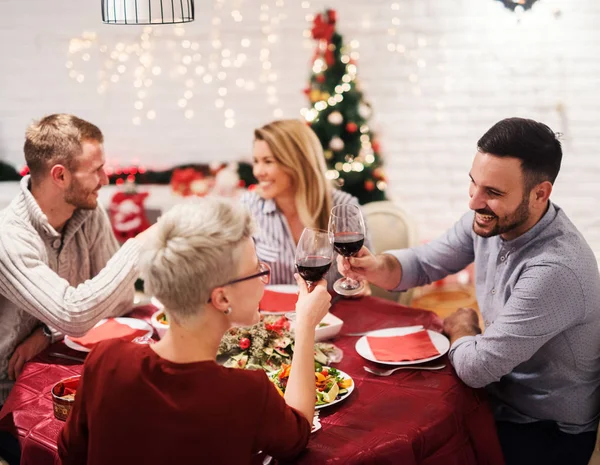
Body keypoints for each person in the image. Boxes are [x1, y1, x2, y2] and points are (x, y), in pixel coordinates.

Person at [337, 117, 600, 465]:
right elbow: (425, 262)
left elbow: (476, 368)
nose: (475, 201)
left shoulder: (555, 269)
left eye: (493, 193)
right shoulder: (490, 220)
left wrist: (462, 328)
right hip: (497, 399)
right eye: (473, 184)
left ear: (541, 193)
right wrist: (376, 266)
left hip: (545, 430)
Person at [58, 198, 331, 465]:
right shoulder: (246, 393)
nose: (263, 278)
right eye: (257, 270)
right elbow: (297, 436)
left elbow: (70, 453)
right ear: (222, 299)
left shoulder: (106, 359)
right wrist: (306, 324)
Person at [0, 114, 152, 398]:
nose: (105, 179)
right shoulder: (8, 237)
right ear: (60, 175)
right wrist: (139, 245)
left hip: (72, 371)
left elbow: (119, 299)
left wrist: (48, 333)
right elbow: (73, 315)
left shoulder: (90, 213)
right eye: (96, 169)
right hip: (12, 396)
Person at [241, 119, 371, 292]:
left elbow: (364, 277)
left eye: (268, 161)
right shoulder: (249, 207)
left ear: (297, 162)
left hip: (333, 314)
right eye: (256, 161)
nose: (258, 172)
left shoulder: (343, 207)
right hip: (275, 315)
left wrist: (360, 286)